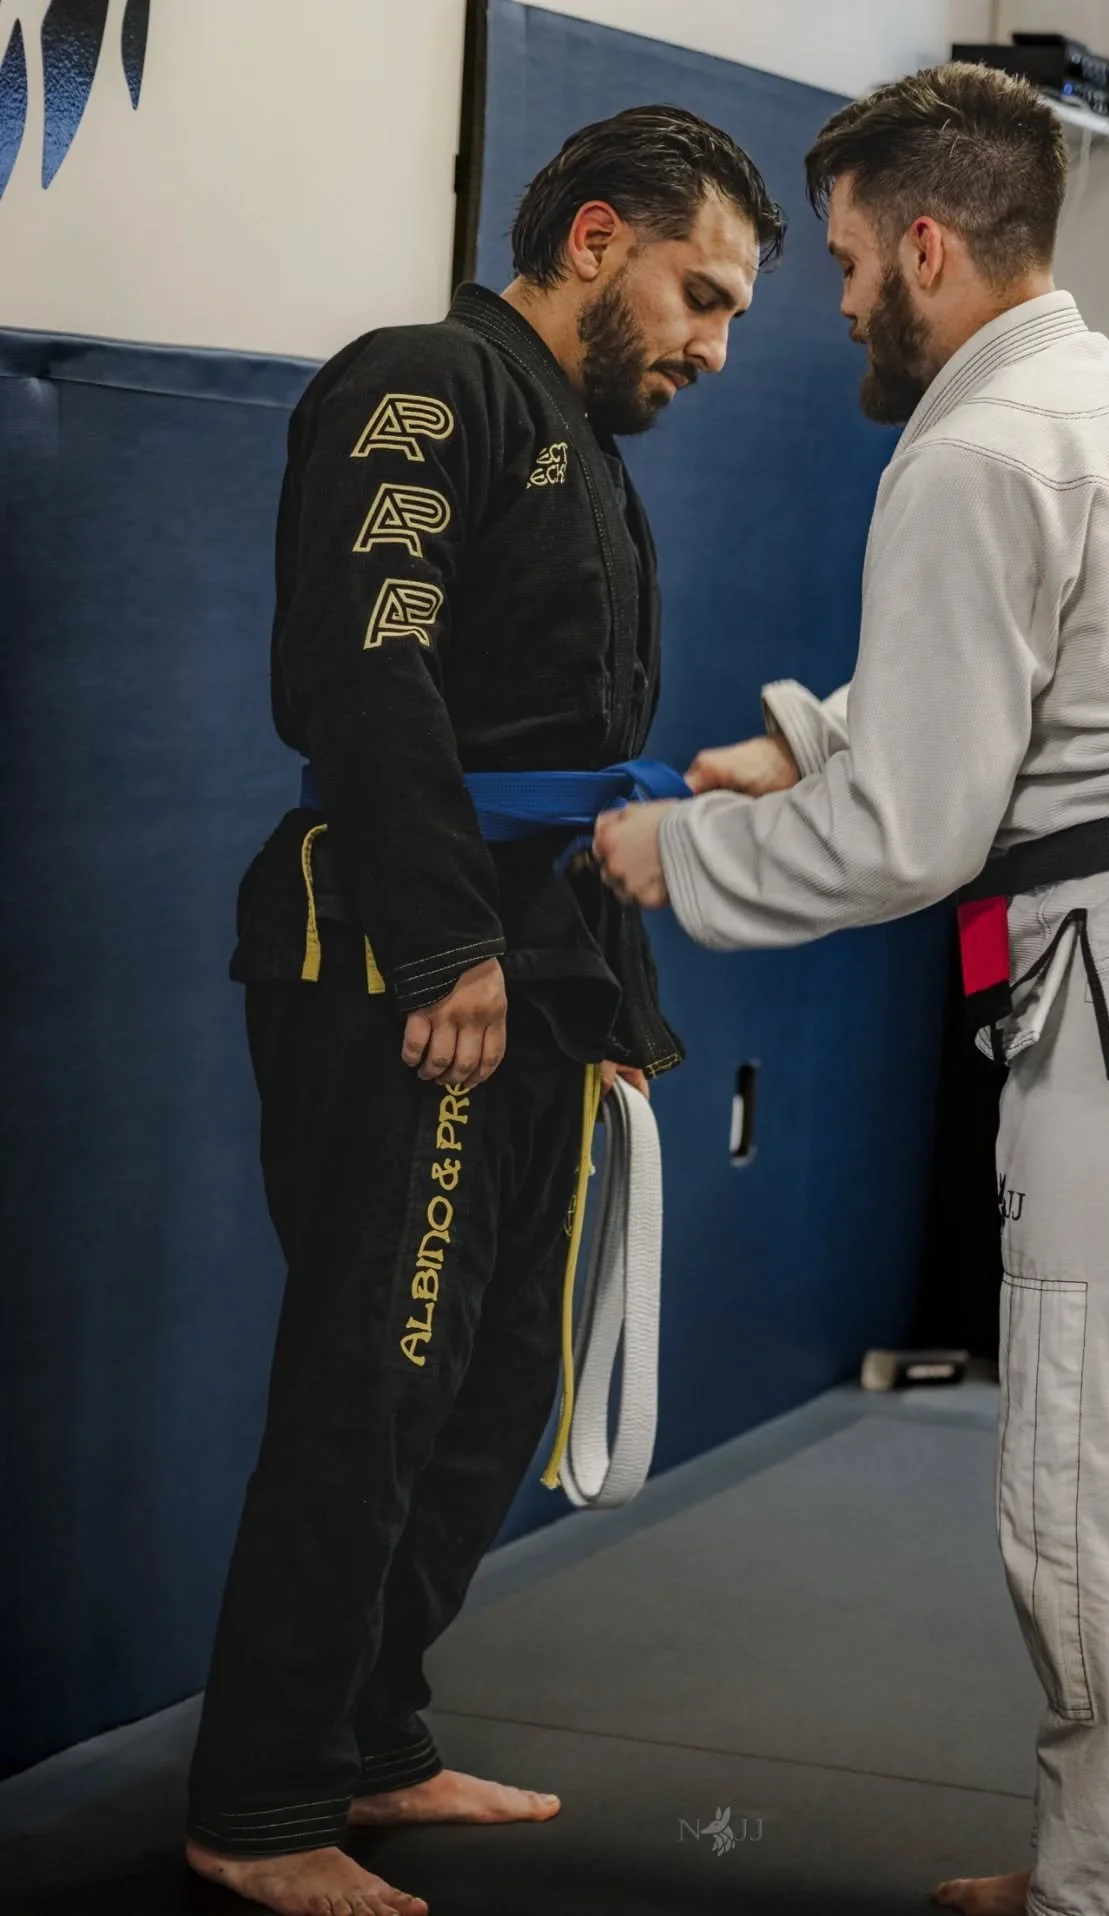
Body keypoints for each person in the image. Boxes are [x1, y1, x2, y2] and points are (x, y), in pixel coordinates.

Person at [596, 63, 1109, 1916]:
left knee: (1102, 1486)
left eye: (851, 258)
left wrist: (672, 862)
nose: (840, 296)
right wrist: (800, 742)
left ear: (927, 245)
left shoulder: (975, 445)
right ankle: (1102, 1863)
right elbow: (1047, 681)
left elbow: (911, 836)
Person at [186, 108, 783, 1916]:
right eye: (703, 293)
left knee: (493, 1377)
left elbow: (575, 762)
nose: (714, 345)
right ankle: (264, 1805)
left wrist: (607, 989)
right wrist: (446, 945)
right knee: (377, 1376)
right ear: (594, 238)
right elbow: (363, 670)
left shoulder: (586, 450)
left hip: (546, 966)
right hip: (401, 958)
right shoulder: (425, 386)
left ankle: (371, 1736)